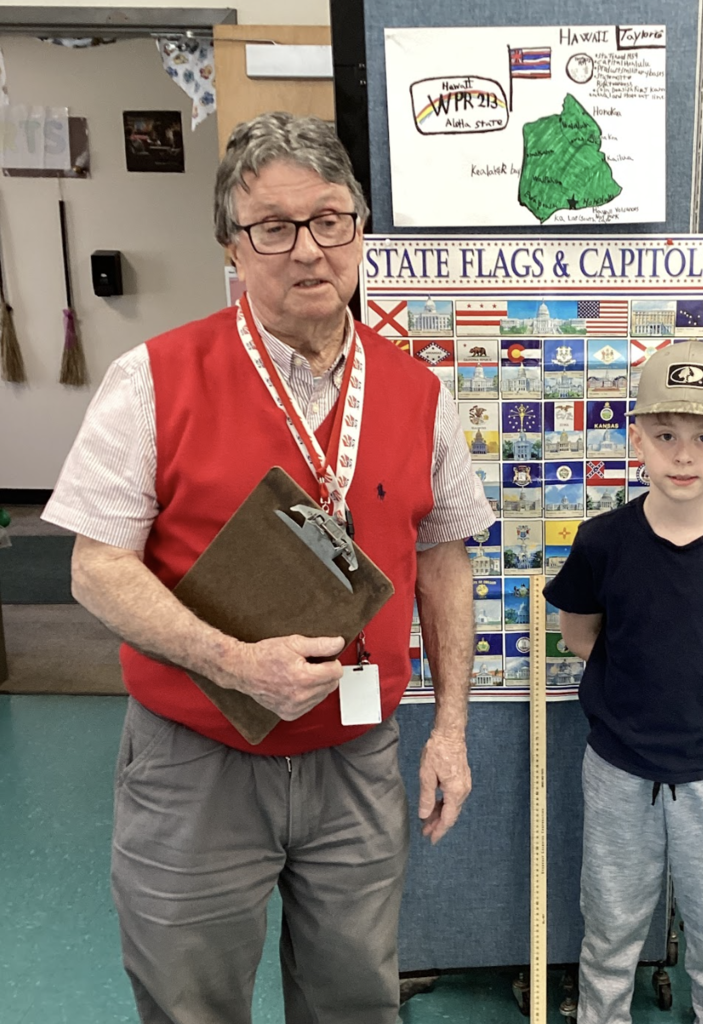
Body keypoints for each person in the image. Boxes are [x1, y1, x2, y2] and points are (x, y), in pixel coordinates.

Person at [42, 112, 494, 1024]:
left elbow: (443, 559)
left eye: (330, 220)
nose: (307, 250)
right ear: (232, 246)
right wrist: (233, 662)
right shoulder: (153, 378)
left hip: (357, 754)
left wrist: (448, 728)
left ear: (359, 231)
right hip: (197, 759)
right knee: (190, 1000)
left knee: (355, 999)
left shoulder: (418, 392)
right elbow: (96, 568)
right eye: (273, 228)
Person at [543, 341, 703, 1024]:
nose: (682, 455)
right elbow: (578, 635)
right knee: (610, 923)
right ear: (637, 438)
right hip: (618, 769)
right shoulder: (602, 541)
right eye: (664, 435)